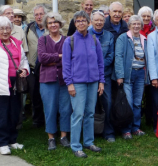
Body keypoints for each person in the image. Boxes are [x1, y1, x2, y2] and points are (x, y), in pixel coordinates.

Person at [0, 16, 29, 155]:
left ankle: (12, 140)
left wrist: (24, 70)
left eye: (7, 28)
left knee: (14, 114)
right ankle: (2, 142)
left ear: (11, 29)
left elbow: (23, 61)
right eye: (1, 28)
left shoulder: (16, 43)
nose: (5, 31)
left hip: (15, 84)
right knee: (1, 115)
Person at [62, 11, 105, 158]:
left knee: (90, 113)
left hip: (93, 82)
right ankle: (76, 146)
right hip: (77, 84)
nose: (81, 23)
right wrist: (69, 84)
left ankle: (88, 142)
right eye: (78, 21)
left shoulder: (94, 40)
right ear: (75, 24)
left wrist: (101, 81)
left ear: (88, 23)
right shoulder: (70, 41)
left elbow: (100, 62)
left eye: (84, 20)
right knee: (78, 114)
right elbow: (66, 65)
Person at [37, 12, 71, 150]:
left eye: (55, 22)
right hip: (47, 80)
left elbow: (70, 59)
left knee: (66, 108)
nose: (53, 25)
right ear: (46, 25)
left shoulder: (67, 40)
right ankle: (51, 138)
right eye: (50, 23)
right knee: (50, 109)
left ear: (60, 24)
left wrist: (52, 60)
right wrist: (60, 57)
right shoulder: (43, 40)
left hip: (65, 80)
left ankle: (64, 136)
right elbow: (42, 59)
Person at [115, 15, 147, 140]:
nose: (136, 26)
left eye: (138, 24)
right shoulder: (123, 38)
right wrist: (120, 76)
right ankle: (126, 130)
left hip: (140, 74)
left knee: (138, 103)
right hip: (128, 74)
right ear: (129, 26)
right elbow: (118, 57)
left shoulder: (144, 39)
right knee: (128, 102)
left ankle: (136, 127)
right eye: (133, 24)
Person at [89, 10, 115, 142]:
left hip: (105, 75)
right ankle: (90, 132)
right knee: (90, 104)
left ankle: (108, 131)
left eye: (101, 20)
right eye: (96, 20)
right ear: (91, 21)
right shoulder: (86, 34)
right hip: (89, 77)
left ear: (104, 22)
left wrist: (99, 66)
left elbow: (111, 55)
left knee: (108, 103)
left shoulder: (109, 36)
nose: (99, 22)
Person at [25, 4, 47, 127]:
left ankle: (49, 118)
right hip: (33, 67)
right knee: (34, 94)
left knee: (47, 94)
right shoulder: (29, 28)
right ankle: (37, 120)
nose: (39, 17)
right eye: (36, 14)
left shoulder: (50, 27)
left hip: (47, 67)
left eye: (41, 14)